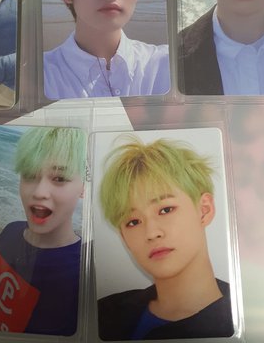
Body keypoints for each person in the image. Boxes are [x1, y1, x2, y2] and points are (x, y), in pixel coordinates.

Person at [0, 126, 86, 336]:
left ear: (83, 187)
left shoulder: (81, 270)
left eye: (59, 178)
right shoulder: (11, 231)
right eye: (29, 175)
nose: (39, 192)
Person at [97, 137, 234, 340]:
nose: (152, 233)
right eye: (133, 222)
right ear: (123, 237)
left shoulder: (245, 319)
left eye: (165, 210)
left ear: (204, 210)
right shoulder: (102, 313)